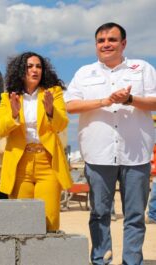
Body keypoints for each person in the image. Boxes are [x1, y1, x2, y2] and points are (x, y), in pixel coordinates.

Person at [65, 22, 156, 265]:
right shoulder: (84, 73)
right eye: (101, 40)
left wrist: (131, 99)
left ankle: (132, 261)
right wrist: (105, 100)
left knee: (135, 216)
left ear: (123, 44)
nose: (106, 44)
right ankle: (100, 260)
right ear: (96, 45)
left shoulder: (142, 69)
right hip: (98, 154)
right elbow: (69, 105)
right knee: (99, 214)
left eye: (112, 40)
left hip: (136, 154)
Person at [0, 51, 73, 232]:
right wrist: (14, 114)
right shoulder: (9, 97)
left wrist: (51, 110)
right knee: (22, 220)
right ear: (21, 70)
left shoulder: (54, 93)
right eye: (30, 66)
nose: (35, 70)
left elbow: (61, 125)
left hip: (48, 163)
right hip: (20, 164)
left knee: (50, 220)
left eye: (38, 66)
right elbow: (0, 130)